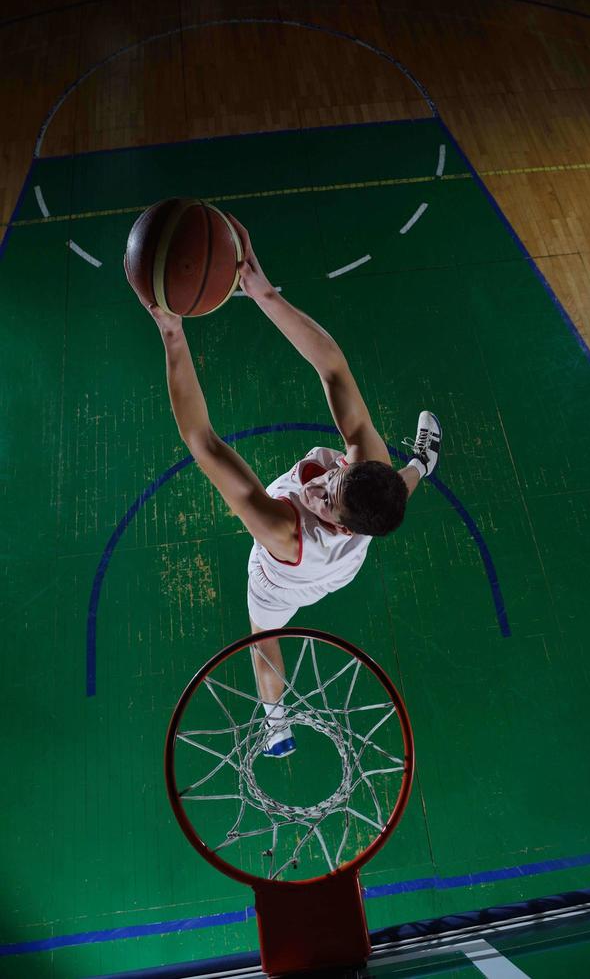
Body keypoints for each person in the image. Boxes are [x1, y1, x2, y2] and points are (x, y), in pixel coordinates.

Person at [127, 215, 441, 757]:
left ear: (338, 522)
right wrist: (262, 291)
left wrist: (172, 334)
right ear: (353, 463)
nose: (319, 490)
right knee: (398, 486)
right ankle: (423, 465)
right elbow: (333, 368)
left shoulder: (282, 530)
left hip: (292, 579)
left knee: (262, 636)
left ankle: (276, 726)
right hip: (352, 550)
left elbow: (203, 441)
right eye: (335, 479)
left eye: (328, 501)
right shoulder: (369, 467)